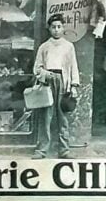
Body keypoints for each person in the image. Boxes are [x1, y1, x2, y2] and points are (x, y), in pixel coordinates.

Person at [32, 13, 80, 159]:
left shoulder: (69, 47)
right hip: (48, 83)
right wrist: (46, 74)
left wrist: (73, 86)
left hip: (63, 82)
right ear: (49, 29)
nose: (56, 30)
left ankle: (64, 150)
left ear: (63, 28)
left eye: (59, 27)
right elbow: (37, 68)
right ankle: (41, 150)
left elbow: (73, 67)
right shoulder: (44, 47)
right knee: (46, 117)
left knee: (63, 118)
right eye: (53, 27)